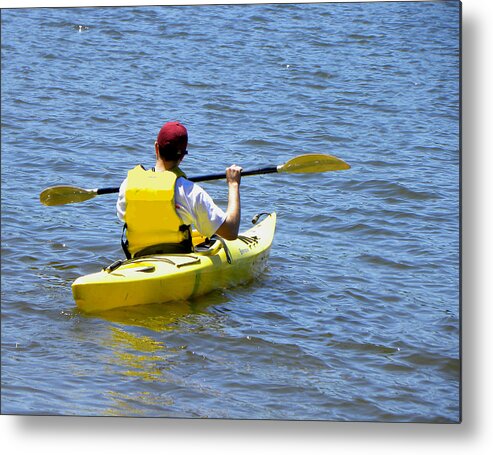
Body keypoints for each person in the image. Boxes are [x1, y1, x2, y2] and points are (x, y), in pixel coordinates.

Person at [116, 121, 242, 258]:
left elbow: (123, 217)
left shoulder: (127, 185)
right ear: (182, 156)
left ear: (156, 148)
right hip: (177, 263)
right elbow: (230, 232)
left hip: (138, 260)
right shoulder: (190, 191)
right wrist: (233, 184)